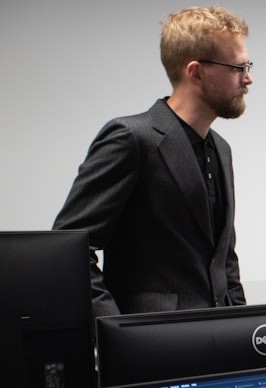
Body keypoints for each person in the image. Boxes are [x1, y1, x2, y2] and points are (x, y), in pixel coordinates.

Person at [53, 6, 253, 318]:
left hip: (220, 342)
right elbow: (69, 250)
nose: (248, 78)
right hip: (151, 347)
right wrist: (117, 331)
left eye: (247, 66)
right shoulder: (131, 138)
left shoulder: (221, 149)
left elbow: (225, 259)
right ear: (196, 72)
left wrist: (242, 326)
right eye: (237, 68)